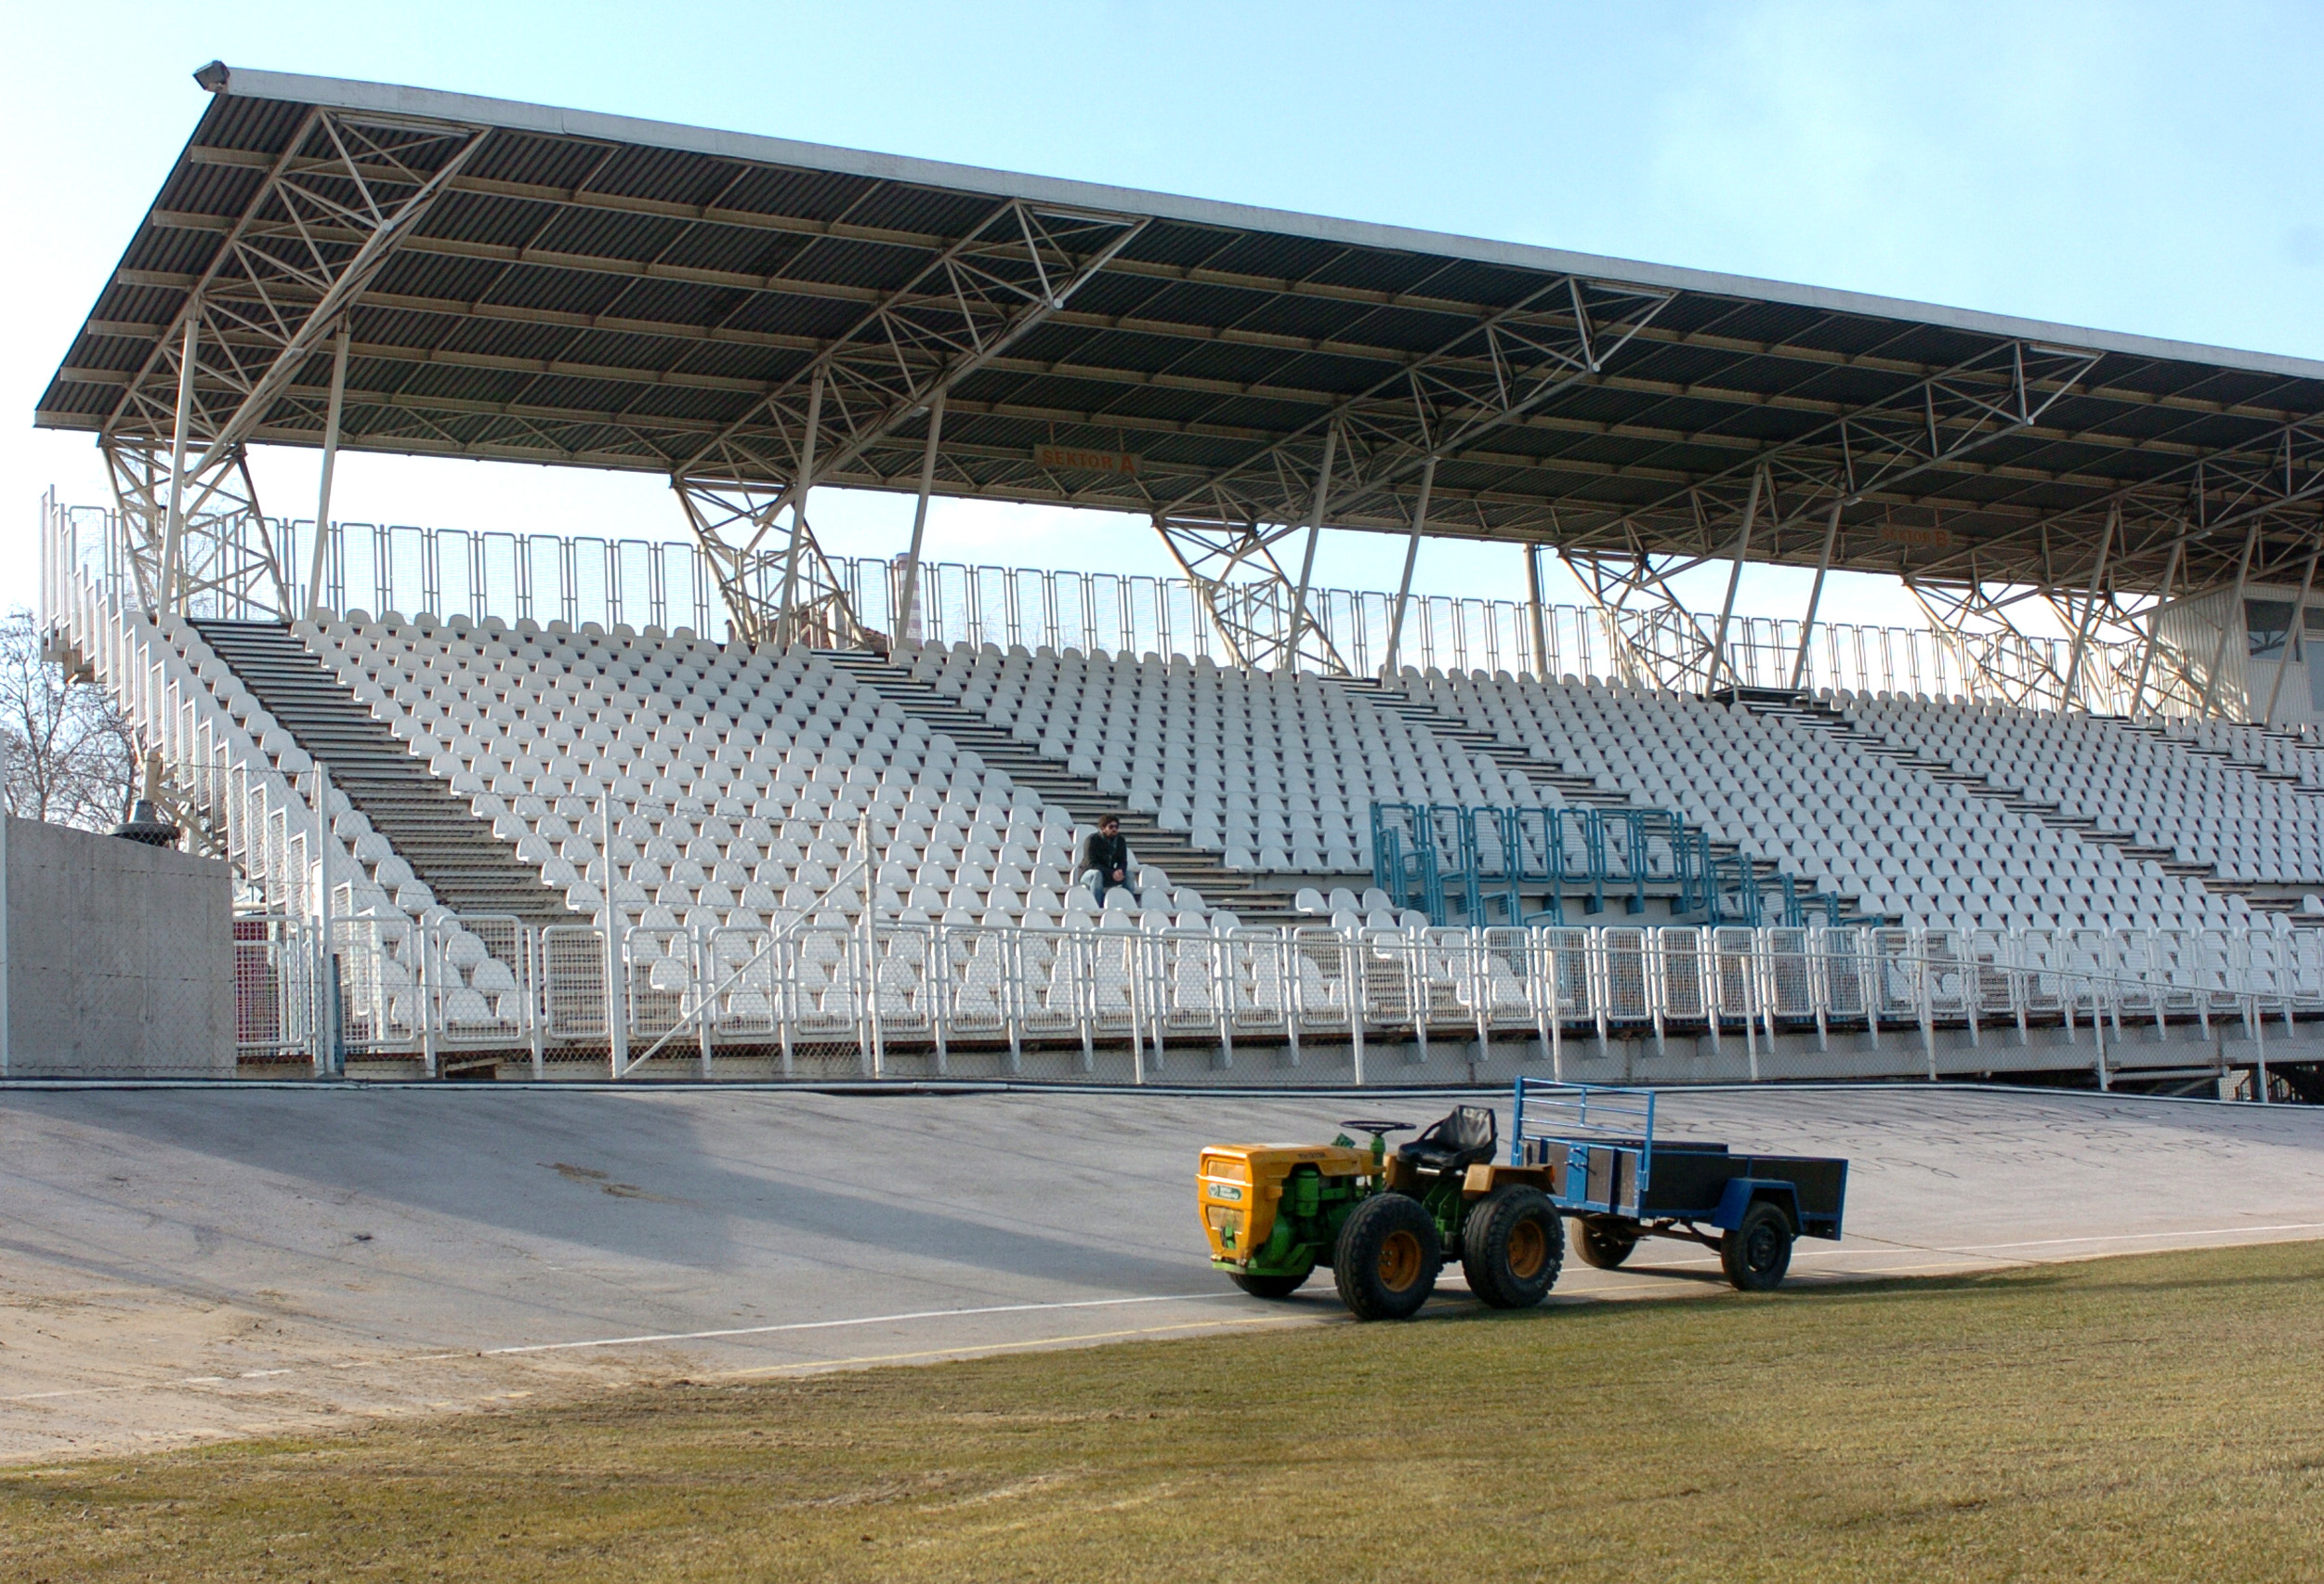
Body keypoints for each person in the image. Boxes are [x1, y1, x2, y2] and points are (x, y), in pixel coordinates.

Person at [1082, 814, 1138, 907]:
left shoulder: (1120, 840)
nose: (1114, 829)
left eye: (1116, 827)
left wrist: (1120, 871)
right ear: (1103, 828)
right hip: (1088, 874)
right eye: (1111, 827)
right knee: (1097, 874)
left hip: (1108, 874)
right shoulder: (1092, 840)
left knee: (1129, 875)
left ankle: (1130, 905)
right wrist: (1111, 873)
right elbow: (1091, 863)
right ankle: (1097, 907)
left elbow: (1123, 861)